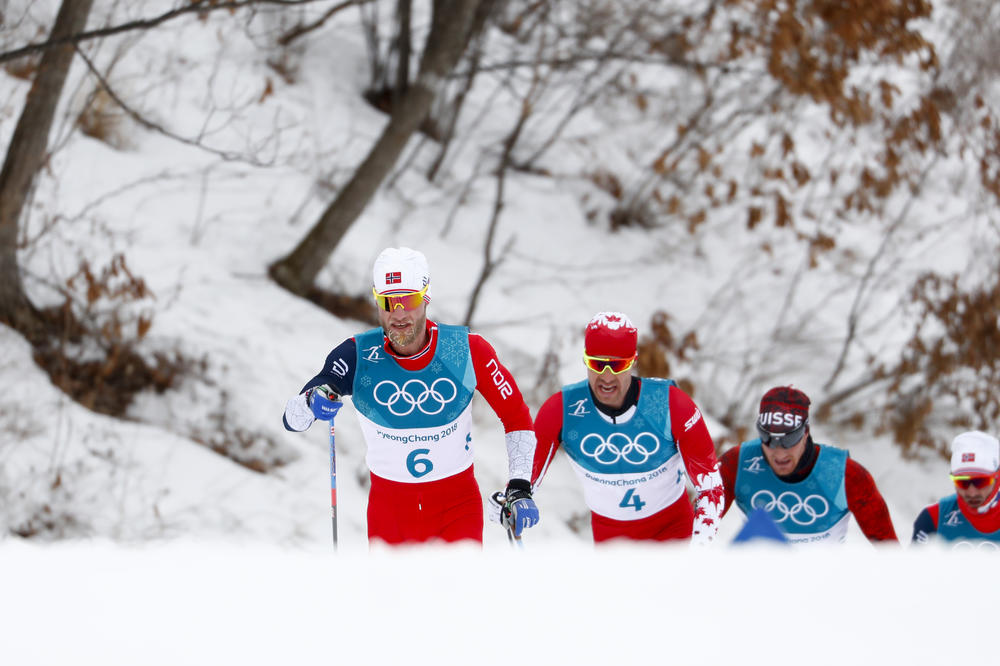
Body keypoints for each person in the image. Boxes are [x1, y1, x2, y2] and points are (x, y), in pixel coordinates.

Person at [282, 247, 539, 546]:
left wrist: (519, 486)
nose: (399, 313)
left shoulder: (467, 351)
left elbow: (517, 417)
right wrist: (313, 400)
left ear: (426, 297)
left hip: (457, 509)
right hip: (389, 514)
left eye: (409, 300)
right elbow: (292, 420)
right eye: (389, 302)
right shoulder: (357, 355)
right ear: (378, 303)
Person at [528, 312, 725, 544]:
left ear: (633, 361)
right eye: (597, 364)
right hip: (612, 541)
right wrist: (515, 497)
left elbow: (711, 487)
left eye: (618, 365)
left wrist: (701, 544)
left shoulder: (669, 405)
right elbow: (523, 479)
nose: (607, 376)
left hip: (672, 531)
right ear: (585, 360)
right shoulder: (562, 411)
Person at [719, 385, 898, 545]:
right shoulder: (737, 464)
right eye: (768, 439)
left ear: (806, 432)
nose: (780, 452)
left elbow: (890, 552)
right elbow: (695, 532)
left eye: (790, 439)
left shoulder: (845, 475)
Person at [912, 431, 1000, 548]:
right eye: (962, 482)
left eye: (980, 482)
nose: (971, 492)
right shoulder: (933, 518)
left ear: (997, 477)